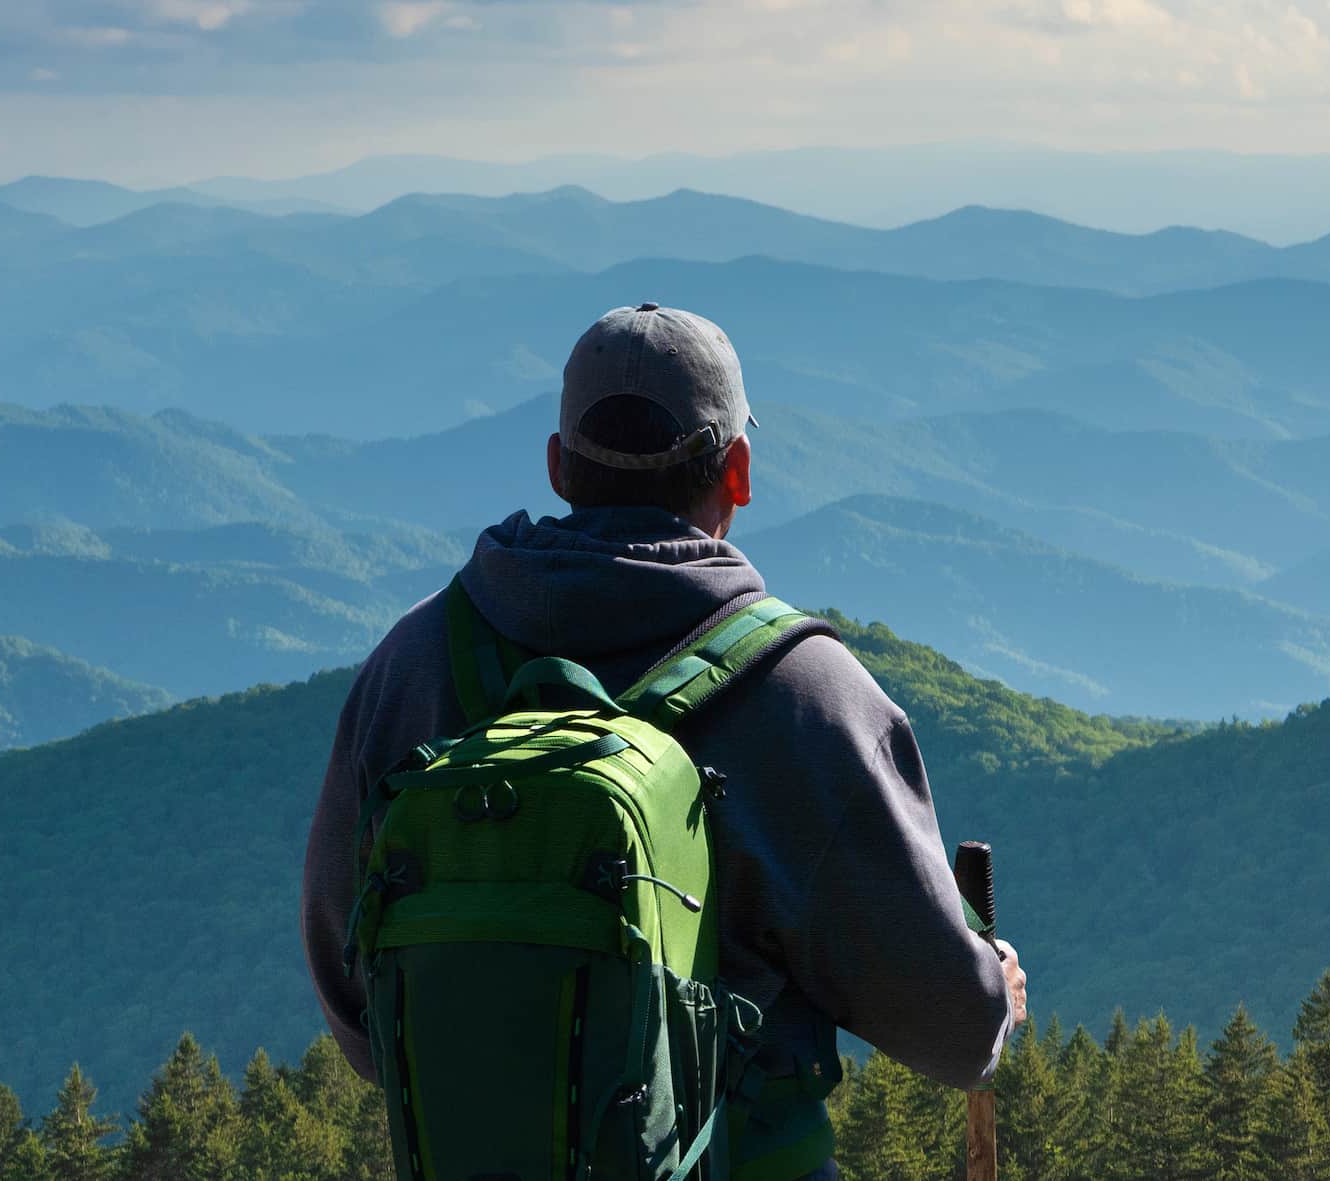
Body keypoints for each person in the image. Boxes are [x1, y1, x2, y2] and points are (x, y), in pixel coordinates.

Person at [302, 303, 1024, 1176]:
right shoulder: (807, 697)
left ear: (558, 465)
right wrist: (994, 990)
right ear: (739, 472)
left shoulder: (413, 665)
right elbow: (954, 1030)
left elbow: (358, 1005)